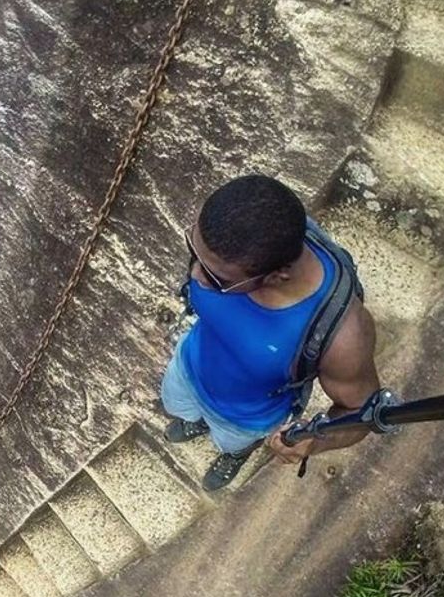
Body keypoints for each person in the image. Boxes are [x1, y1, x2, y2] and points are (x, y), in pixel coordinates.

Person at [161, 174, 380, 491]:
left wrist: (315, 442)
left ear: (278, 276)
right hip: (188, 365)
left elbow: (363, 410)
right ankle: (195, 422)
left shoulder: (342, 335)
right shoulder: (238, 234)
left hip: (244, 419)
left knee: (231, 442)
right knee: (179, 405)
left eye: (215, 278)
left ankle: (236, 454)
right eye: (194, 251)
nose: (196, 276)